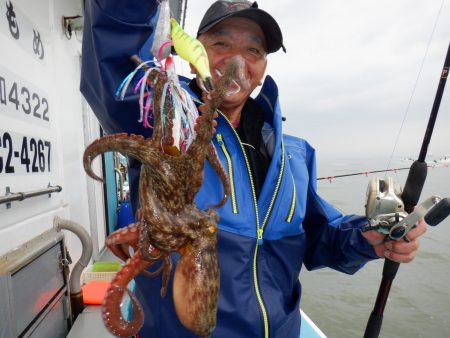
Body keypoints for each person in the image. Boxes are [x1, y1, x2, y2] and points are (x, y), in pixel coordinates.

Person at [80, 1, 427, 337]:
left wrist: (370, 239)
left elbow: (322, 237)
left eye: (254, 51)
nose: (236, 60)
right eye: (220, 43)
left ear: (263, 68)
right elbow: (113, 65)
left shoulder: (295, 154)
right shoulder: (163, 124)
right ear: (192, 53)